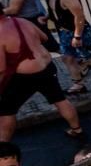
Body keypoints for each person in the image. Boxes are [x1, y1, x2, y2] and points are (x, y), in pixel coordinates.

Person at [0, 13, 83, 141]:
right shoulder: (22, 21)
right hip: (46, 67)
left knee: (6, 110)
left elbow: (1, 68)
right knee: (59, 99)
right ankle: (77, 129)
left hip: (24, 76)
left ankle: (3, 145)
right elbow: (44, 38)